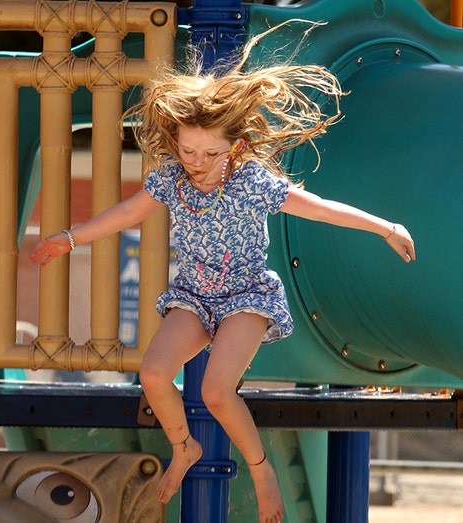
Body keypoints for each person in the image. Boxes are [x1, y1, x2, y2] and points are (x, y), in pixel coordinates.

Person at [28, 23, 416, 523]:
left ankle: (260, 470)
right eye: (188, 152)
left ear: (233, 148)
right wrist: (71, 237)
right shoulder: (171, 177)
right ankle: (183, 447)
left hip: (246, 297)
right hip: (193, 295)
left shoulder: (254, 181)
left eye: (210, 154)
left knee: (214, 390)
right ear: (174, 143)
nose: (197, 163)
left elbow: (318, 208)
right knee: (152, 373)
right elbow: (126, 213)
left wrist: (385, 227)